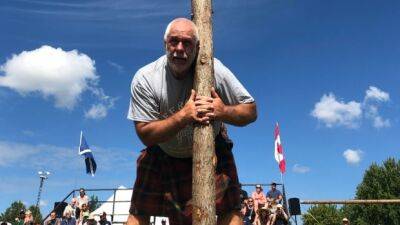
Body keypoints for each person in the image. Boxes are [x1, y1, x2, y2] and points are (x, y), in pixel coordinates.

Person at [126, 17, 257, 225]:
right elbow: (145, 134)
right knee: (139, 211)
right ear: (165, 44)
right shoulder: (146, 78)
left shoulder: (215, 69)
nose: (180, 48)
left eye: (187, 42)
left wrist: (222, 111)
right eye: (174, 41)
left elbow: (250, 111)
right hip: (163, 150)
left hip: (212, 146)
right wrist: (183, 116)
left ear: (197, 46)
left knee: (230, 209)